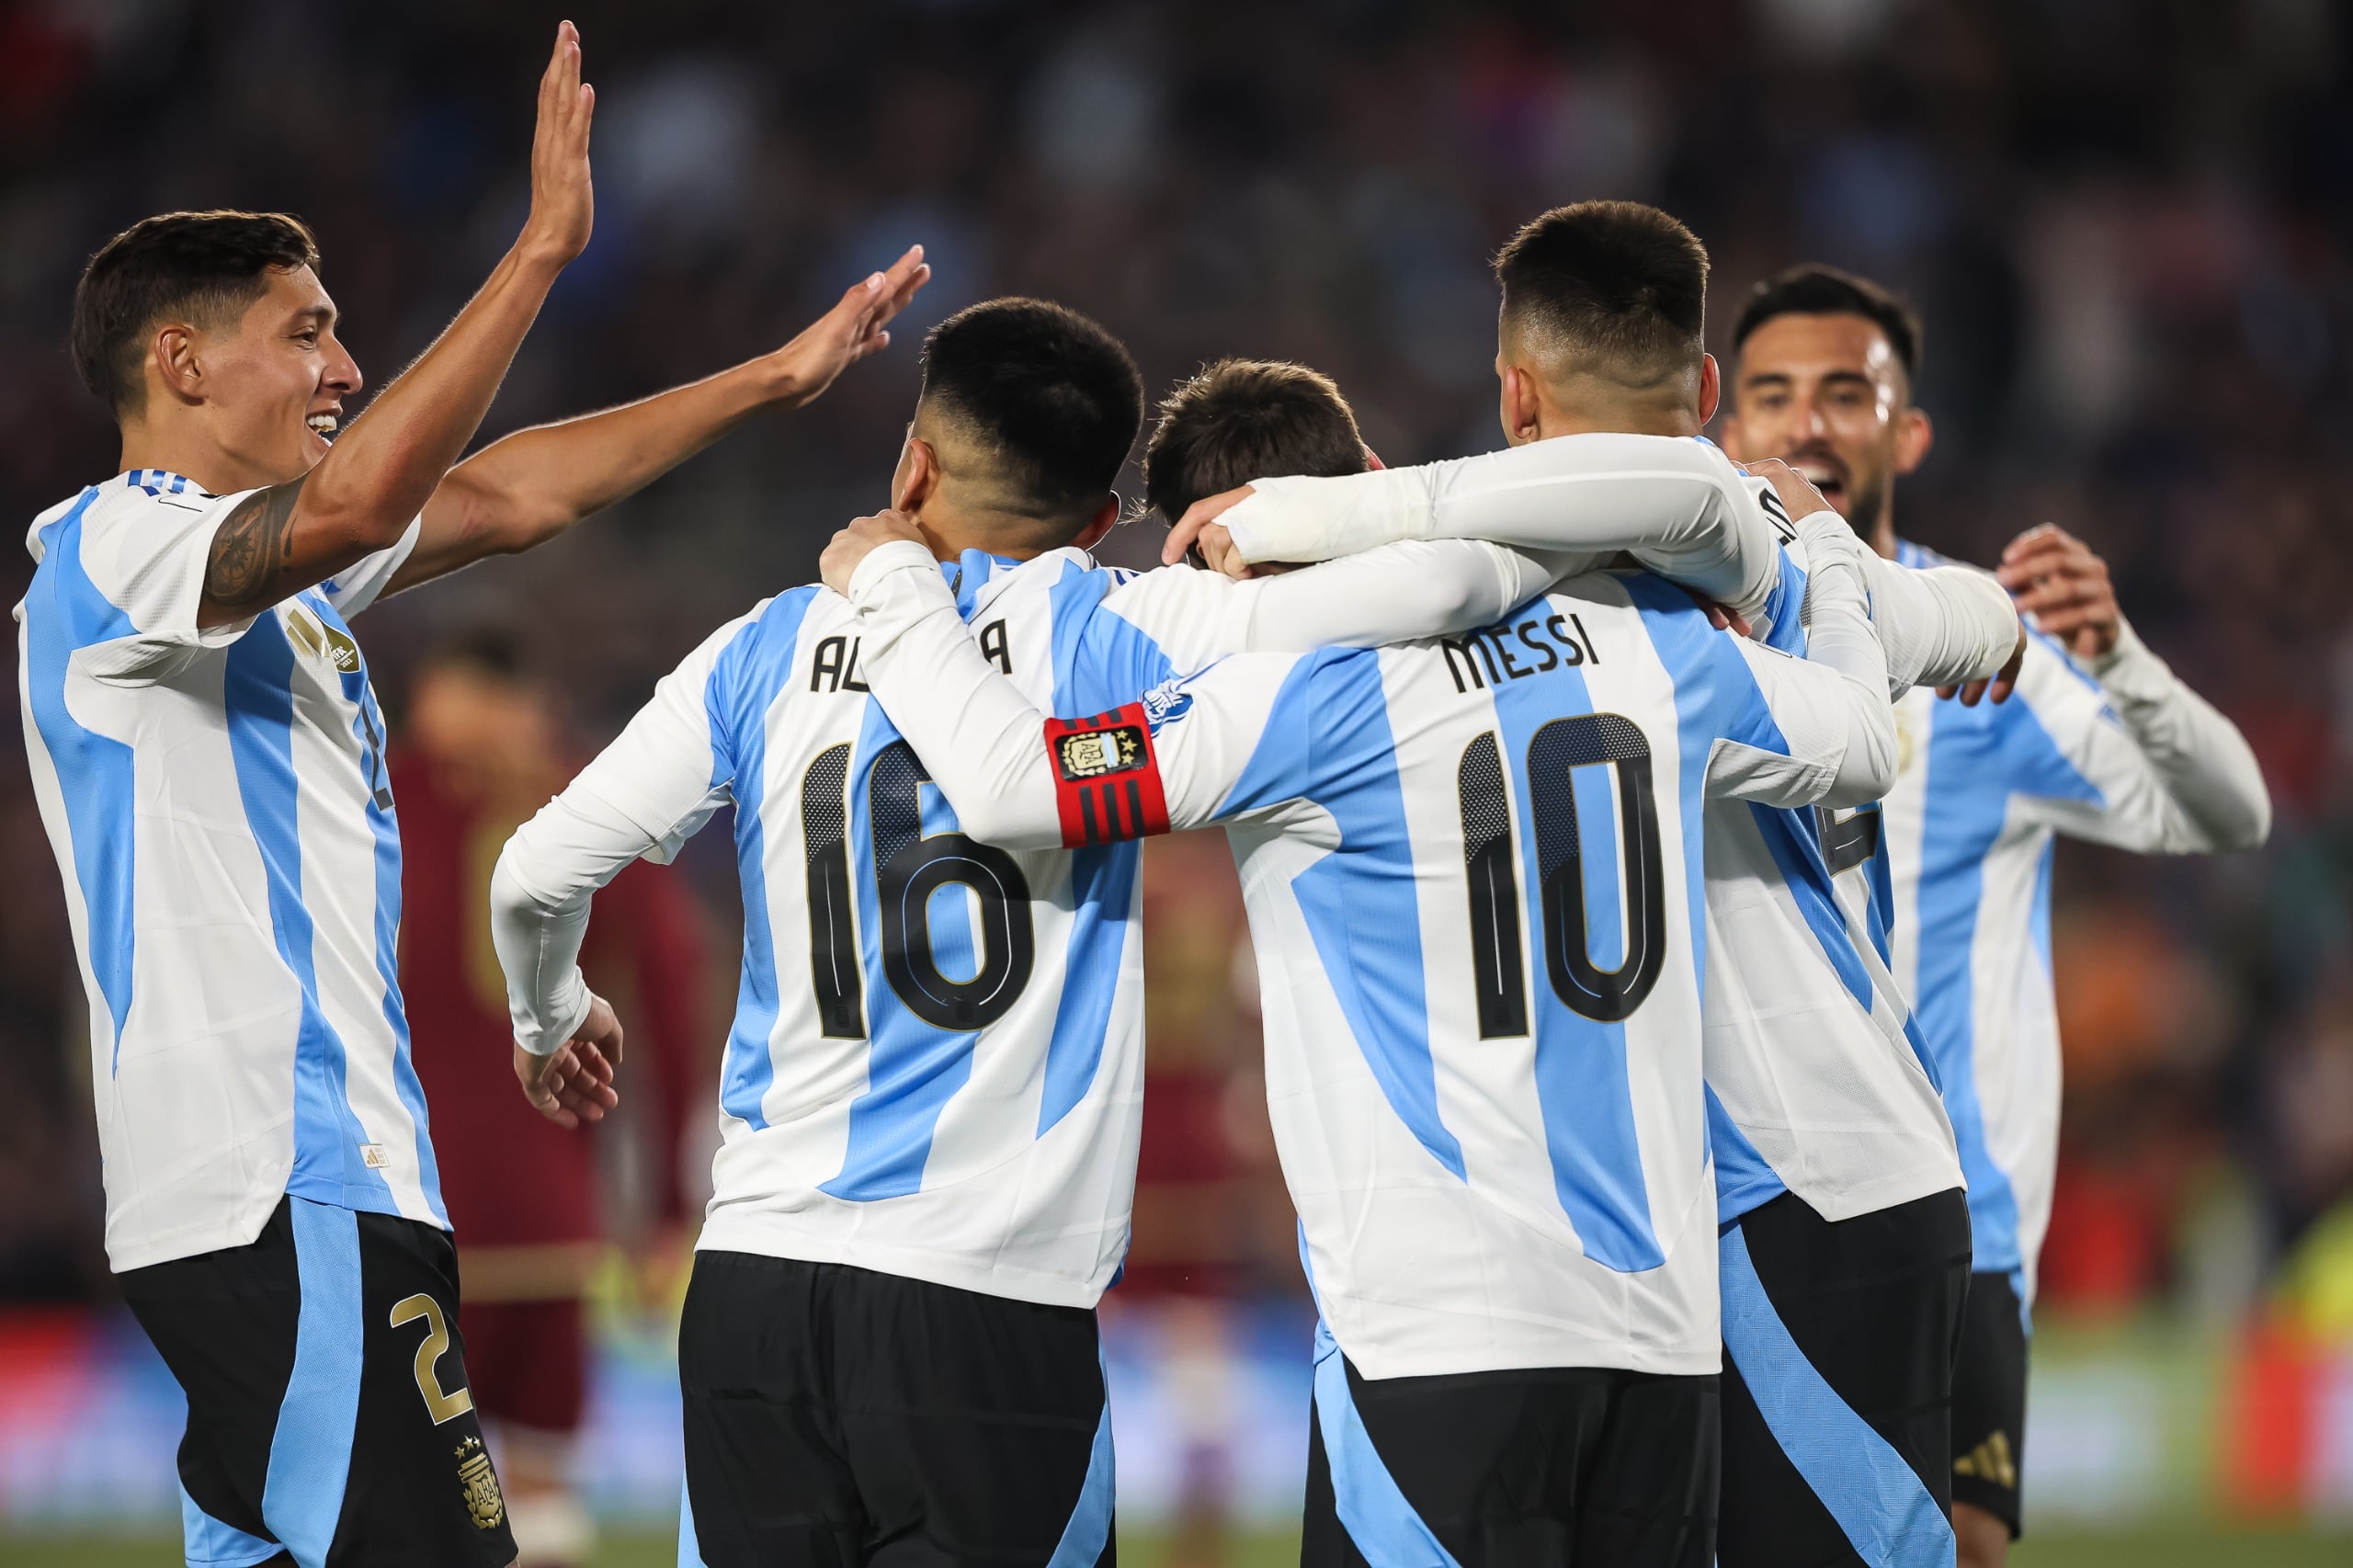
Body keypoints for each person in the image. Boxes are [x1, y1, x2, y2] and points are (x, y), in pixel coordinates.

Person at [485, 292, 1844, 1567]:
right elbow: (1438, 592)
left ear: (912, 470)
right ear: (1104, 519)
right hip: (990, 1305)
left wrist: (553, 1018)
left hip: (757, 1293)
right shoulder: (1132, 621)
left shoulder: (759, 649)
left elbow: (539, 872)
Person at [815, 205, 1915, 1567]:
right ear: (1374, 469)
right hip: (1662, 1348)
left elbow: (1019, 785)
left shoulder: (1288, 704)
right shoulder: (1642, 641)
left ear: (1205, 540)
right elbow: (1867, 740)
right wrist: (1832, 567)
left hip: (1437, 1345)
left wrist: (896, 589)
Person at [14, 23, 925, 1567]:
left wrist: (773, 379)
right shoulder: (113, 549)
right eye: (305, 333)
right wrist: (542, 253)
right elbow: (371, 487)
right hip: (278, 1180)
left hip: (299, 1184)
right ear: (180, 363)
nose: (345, 367)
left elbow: (509, 491)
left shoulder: (268, 590)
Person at [1163, 214, 2030, 1568]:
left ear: (1511, 397)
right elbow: (1986, 622)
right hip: (1755, 1199)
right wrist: (1860, 570)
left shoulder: (1654, 587)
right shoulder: (1731, 572)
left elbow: (1665, 508)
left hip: (1798, 1179)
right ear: (1705, 394)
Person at [1717, 263, 2274, 1566]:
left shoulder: (1986, 651)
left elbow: (2230, 808)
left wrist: (2124, 658)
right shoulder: (1680, 638)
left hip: (1946, 1223)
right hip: (1729, 1200)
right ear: (1724, 426)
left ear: (1906, 432)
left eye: (1847, 394)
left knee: (1956, 1544)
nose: (1808, 425)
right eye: (1774, 395)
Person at [393, 631, 709, 1568]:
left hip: (403, 1213)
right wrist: (664, 1211)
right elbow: (667, 1003)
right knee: (542, 1496)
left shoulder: (368, 793)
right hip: (540, 1220)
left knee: (406, 1498)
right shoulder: (583, 802)